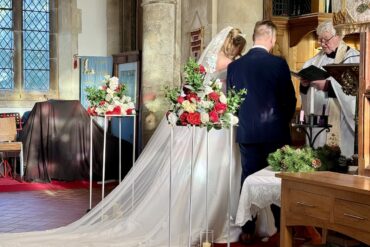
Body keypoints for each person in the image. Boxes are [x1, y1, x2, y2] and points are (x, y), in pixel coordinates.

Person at [0, 27, 247, 246]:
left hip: (219, 128)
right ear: (229, 46)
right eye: (235, 50)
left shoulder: (230, 64)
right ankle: (204, 220)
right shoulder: (215, 66)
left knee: (217, 173)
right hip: (209, 129)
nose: (237, 55)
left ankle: (219, 219)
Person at [227, 20, 296, 244]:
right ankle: (282, 225)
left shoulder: (235, 67)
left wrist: (246, 122)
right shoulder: (278, 64)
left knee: (249, 178)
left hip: (247, 133)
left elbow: (232, 103)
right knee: (278, 180)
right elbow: (289, 99)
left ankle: (247, 229)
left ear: (255, 36)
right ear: (272, 39)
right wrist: (282, 123)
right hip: (275, 132)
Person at [300, 21, 360, 157]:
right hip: (319, 123)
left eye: (326, 39)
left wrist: (328, 86)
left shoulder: (353, 59)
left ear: (338, 36)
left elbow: (356, 92)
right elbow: (306, 95)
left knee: (339, 161)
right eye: (320, 40)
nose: (322, 44)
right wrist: (304, 85)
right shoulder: (313, 62)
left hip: (342, 122)